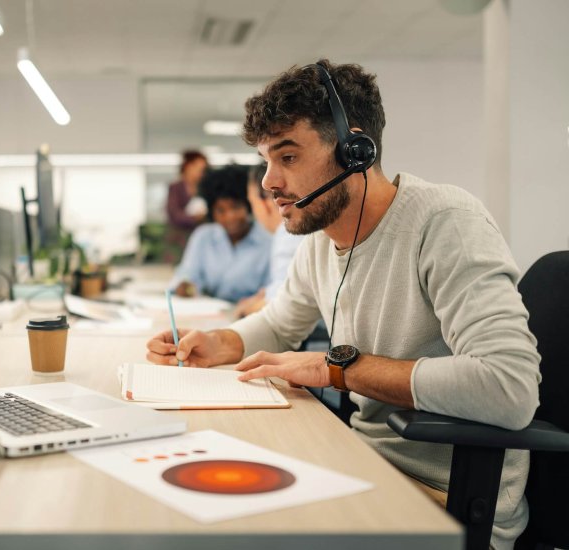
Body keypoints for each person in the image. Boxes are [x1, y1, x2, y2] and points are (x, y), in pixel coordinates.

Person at [147, 60, 540, 549]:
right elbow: (279, 323)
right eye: (267, 160)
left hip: (446, 497)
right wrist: (218, 342)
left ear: (355, 150)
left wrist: (337, 369)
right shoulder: (320, 239)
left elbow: (509, 386)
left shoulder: (444, 223)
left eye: (287, 157)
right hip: (362, 459)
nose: (269, 182)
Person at [170, 164, 271, 303]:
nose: (229, 217)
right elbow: (187, 273)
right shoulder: (203, 237)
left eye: (235, 207)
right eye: (220, 210)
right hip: (210, 315)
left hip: (253, 316)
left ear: (249, 205)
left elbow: (274, 289)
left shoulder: (269, 240)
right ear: (212, 212)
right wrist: (185, 285)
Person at [235, 167, 305, 317]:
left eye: (252, 203)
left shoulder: (288, 232)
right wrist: (264, 295)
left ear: (265, 203)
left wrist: (246, 310)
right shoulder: (296, 230)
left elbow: (282, 303)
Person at [164, 150, 209, 259]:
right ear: (188, 166)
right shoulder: (175, 188)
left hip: (200, 240)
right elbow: (174, 214)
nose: (202, 173)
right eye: (199, 169)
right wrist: (195, 218)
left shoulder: (204, 188)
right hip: (179, 241)